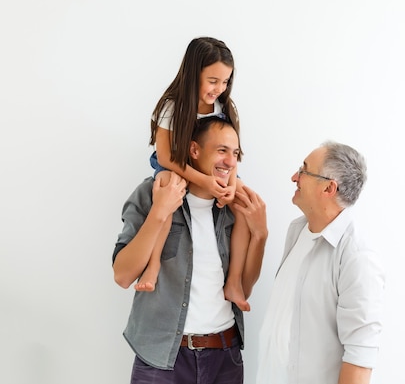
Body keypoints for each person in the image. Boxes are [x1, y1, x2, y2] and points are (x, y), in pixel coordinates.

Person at [113, 116, 268, 383]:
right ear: (194, 150)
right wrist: (160, 211)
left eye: (235, 153)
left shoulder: (235, 206)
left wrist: (261, 235)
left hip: (225, 357)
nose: (230, 162)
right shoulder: (153, 192)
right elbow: (123, 276)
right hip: (161, 361)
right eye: (222, 150)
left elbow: (244, 288)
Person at [256, 141, 385, 384]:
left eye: (304, 171)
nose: (294, 177)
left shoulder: (357, 257)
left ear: (328, 188)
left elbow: (360, 357)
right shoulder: (297, 231)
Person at [139, 36, 252, 312]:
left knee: (244, 203)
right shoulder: (172, 106)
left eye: (225, 82)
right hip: (177, 167)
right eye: (213, 80)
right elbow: (166, 157)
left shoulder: (224, 107)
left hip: (210, 171)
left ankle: (234, 280)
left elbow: (232, 151)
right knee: (168, 186)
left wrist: (230, 183)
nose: (219, 88)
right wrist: (205, 182)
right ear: (194, 74)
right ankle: (152, 267)